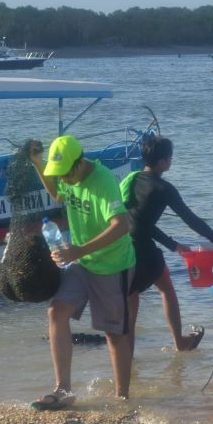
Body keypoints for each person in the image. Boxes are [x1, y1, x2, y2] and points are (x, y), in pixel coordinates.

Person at [28, 135, 136, 409]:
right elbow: (56, 192)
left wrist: (79, 250)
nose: (62, 180)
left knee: (114, 333)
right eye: (58, 175)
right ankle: (63, 389)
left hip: (112, 264)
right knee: (56, 311)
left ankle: (122, 398)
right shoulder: (67, 179)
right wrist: (37, 163)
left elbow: (121, 225)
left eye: (65, 174)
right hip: (81, 262)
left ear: (79, 164)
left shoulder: (103, 181)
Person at [120, 134, 213, 352]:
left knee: (131, 306)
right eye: (170, 158)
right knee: (166, 288)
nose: (171, 161)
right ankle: (180, 342)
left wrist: (173, 245)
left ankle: (126, 364)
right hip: (142, 249)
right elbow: (191, 219)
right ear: (162, 162)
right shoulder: (163, 189)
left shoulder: (133, 179)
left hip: (121, 245)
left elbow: (136, 220)